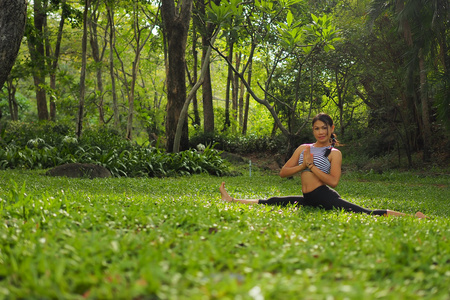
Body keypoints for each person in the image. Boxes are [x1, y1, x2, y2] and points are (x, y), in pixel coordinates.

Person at [219, 113, 427, 219]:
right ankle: (232, 199)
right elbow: (283, 173)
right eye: (317, 128)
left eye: (324, 128)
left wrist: (313, 167)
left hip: (324, 196)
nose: (320, 132)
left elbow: (334, 182)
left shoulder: (335, 154)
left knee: (365, 212)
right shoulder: (303, 148)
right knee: (274, 201)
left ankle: (413, 217)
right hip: (310, 198)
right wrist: (302, 167)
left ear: (331, 129)